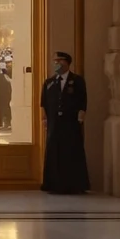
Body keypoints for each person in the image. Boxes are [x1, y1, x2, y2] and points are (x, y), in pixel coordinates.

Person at [39, 51, 89, 194]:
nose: (56, 64)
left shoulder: (78, 81)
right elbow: (44, 103)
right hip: (54, 124)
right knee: (54, 152)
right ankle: (53, 184)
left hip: (71, 123)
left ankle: (74, 185)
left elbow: (83, 101)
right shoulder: (49, 83)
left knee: (72, 151)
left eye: (59, 61)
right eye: (55, 61)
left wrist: (81, 116)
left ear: (67, 62)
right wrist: (44, 119)